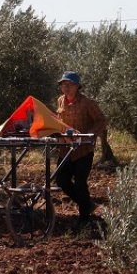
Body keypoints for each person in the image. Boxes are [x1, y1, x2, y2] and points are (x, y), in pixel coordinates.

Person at [54, 71, 108, 231]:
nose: (66, 87)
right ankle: (87, 204)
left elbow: (102, 120)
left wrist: (90, 134)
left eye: (70, 84)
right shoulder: (60, 101)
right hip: (65, 150)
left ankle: (84, 218)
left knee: (80, 182)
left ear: (77, 86)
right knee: (61, 180)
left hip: (83, 150)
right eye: (64, 84)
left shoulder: (87, 103)